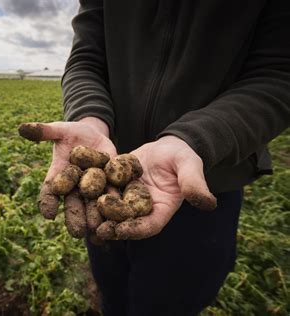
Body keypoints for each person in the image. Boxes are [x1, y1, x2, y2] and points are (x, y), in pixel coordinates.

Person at [28, 1, 290, 315]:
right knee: (112, 292)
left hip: (204, 179)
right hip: (110, 176)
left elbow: (279, 74)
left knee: (169, 304)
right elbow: (87, 56)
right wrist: (90, 117)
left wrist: (194, 139)